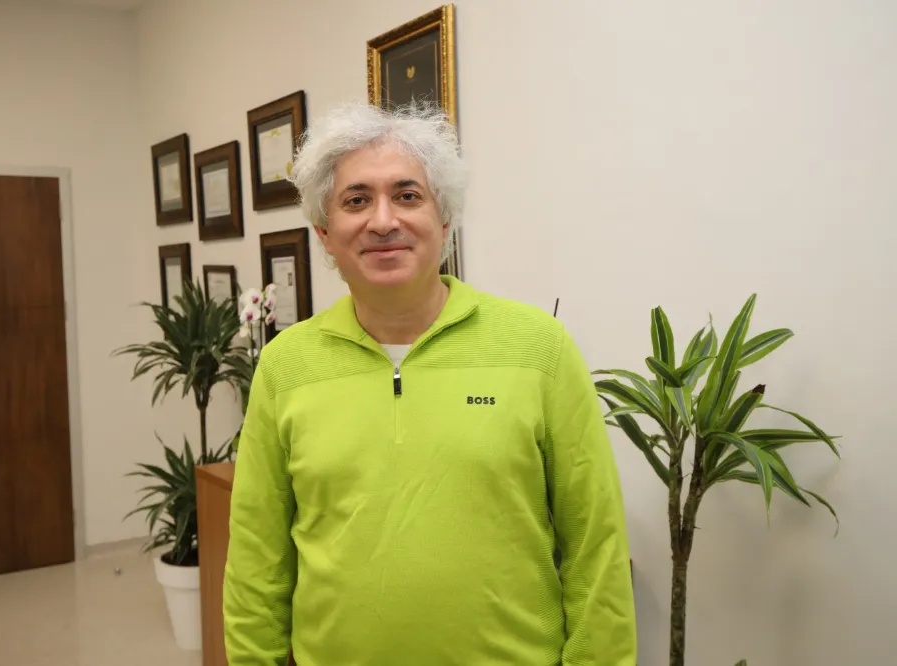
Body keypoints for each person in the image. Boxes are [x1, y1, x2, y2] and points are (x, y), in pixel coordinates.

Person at [223, 102, 637, 666]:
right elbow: (257, 560)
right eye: (356, 200)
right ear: (325, 233)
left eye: (408, 195)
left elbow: (595, 544)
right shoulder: (285, 366)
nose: (383, 221)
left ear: (444, 221)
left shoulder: (539, 347)